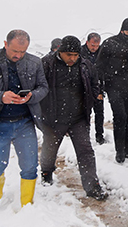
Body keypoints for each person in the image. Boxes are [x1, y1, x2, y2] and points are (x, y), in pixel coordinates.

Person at [0, 30, 49, 206]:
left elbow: (43, 87)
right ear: (5, 44)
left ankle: (27, 204)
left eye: (23, 51)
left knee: (30, 167)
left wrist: (32, 96)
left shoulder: (35, 62)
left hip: (24, 122)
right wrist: (0, 97)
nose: (19, 55)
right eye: (15, 51)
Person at [40, 36, 108, 200]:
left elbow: (94, 84)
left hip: (78, 118)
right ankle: (46, 172)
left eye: (75, 55)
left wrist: (90, 100)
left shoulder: (85, 65)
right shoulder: (47, 64)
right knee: (50, 148)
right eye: (68, 54)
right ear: (60, 52)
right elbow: (38, 88)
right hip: (54, 118)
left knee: (86, 151)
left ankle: (92, 186)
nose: (72, 58)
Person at [97, 18, 128, 163]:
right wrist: (100, 86)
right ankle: (120, 151)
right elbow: (99, 66)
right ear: (122, 30)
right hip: (114, 86)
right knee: (120, 117)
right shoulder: (110, 43)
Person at [80, 32, 106, 144]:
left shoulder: (101, 52)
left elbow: (104, 71)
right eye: (92, 45)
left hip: (98, 86)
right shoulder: (80, 52)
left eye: (97, 46)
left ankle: (99, 135)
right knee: (85, 113)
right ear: (87, 42)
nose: (94, 48)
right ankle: (84, 135)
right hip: (84, 87)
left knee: (99, 113)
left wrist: (101, 90)